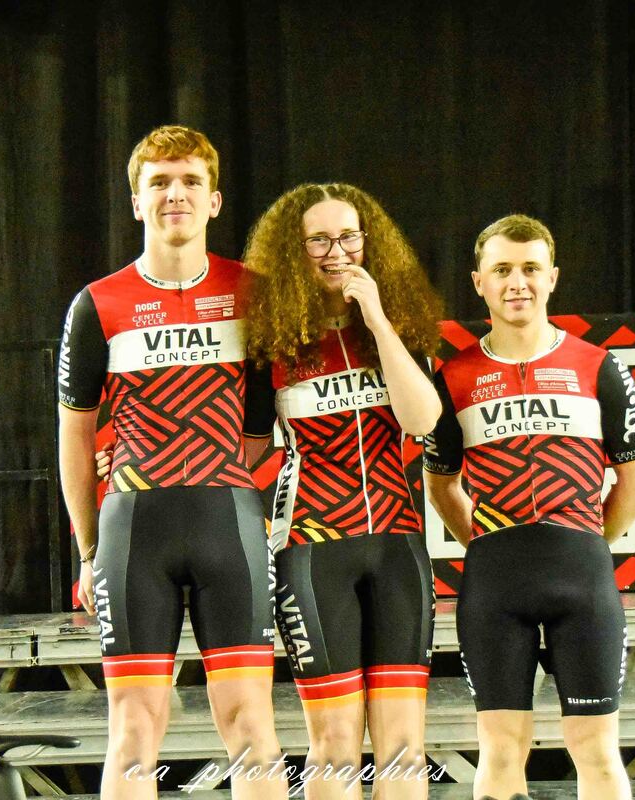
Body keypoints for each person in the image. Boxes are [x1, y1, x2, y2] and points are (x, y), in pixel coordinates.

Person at [57, 125, 286, 799]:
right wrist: (88, 549)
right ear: (136, 202)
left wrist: (207, 471)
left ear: (215, 200)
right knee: (133, 726)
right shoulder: (97, 304)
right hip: (133, 533)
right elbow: (74, 438)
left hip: (229, 524)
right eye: (158, 182)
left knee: (251, 723)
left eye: (190, 181)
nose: (175, 194)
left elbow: (258, 430)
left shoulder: (254, 294)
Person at [423, 214, 635, 800]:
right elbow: (442, 486)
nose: (517, 282)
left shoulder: (599, 366)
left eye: (530, 268)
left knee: (596, 751)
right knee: (501, 750)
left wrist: (585, 541)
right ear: (478, 282)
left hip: (583, 581)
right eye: (502, 269)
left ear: (552, 277)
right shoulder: (453, 377)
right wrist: (489, 542)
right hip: (494, 587)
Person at [244, 183, 443, 799]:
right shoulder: (271, 345)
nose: (337, 252)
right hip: (311, 548)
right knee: (333, 743)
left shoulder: (397, 329)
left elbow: (423, 421)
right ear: (293, 252)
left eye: (349, 237)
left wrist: (378, 320)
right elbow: (244, 452)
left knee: (404, 747)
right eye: (319, 240)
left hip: (398, 546)